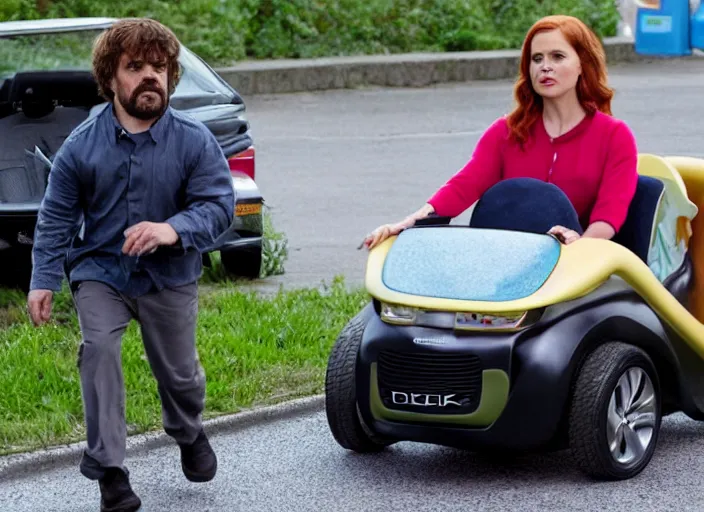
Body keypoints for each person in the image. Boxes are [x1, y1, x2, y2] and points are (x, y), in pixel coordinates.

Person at [26, 18, 235, 512]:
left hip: (171, 274)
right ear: (110, 78)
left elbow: (219, 206)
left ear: (171, 75)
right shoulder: (81, 145)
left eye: (159, 68)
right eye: (135, 67)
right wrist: (43, 280)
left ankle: (187, 431)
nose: (150, 77)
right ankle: (111, 473)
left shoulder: (194, 140)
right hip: (102, 272)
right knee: (98, 353)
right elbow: (56, 216)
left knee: (180, 376)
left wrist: (173, 228)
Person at [362, 15, 638, 250]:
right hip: (507, 260)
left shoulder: (615, 136)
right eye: (536, 58)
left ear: (582, 65)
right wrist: (409, 223)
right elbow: (461, 188)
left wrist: (580, 249)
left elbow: (608, 215)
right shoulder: (505, 132)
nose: (545, 66)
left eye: (557, 56)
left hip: (579, 259)